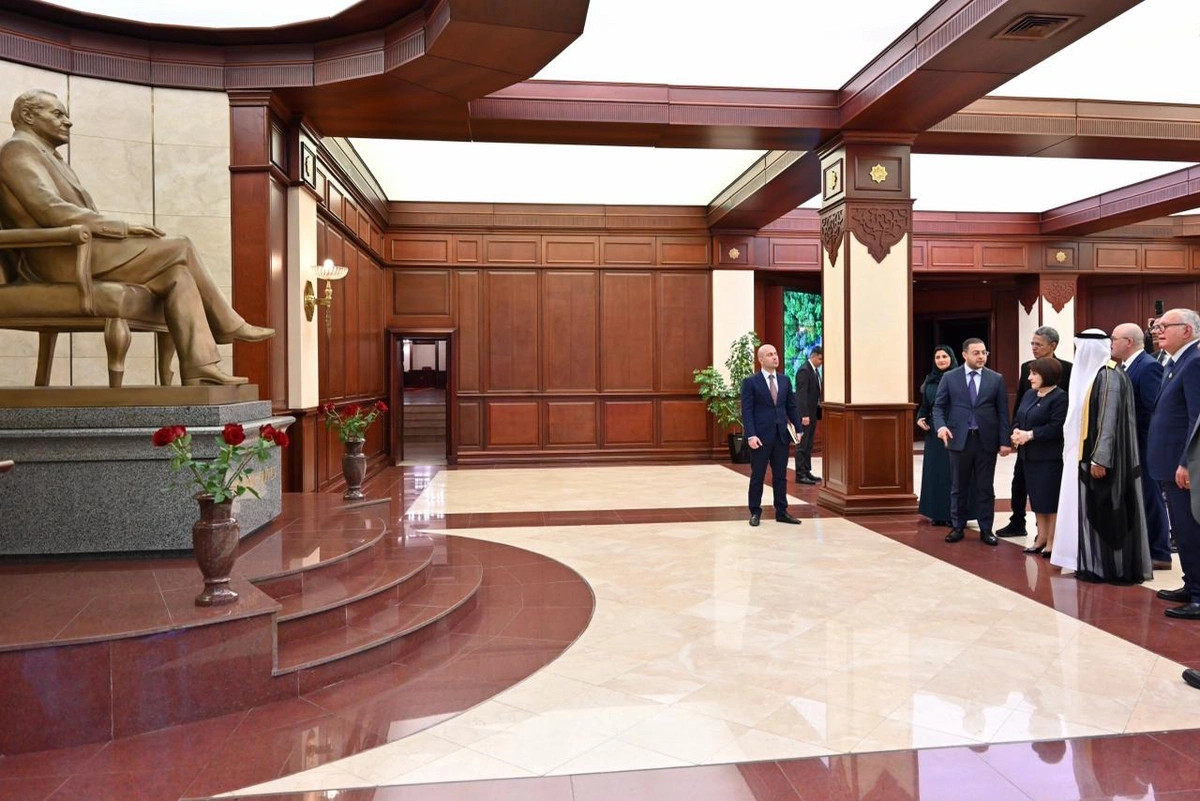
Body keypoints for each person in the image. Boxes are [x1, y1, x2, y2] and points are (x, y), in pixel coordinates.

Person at [0, 89, 273, 386]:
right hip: (57, 259)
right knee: (180, 246)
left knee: (178, 275)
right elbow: (49, 209)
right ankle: (228, 323)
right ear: (28, 116)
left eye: (66, 114)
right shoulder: (18, 150)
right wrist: (122, 227)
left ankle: (200, 367)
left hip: (80, 249)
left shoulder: (47, 156)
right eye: (57, 114)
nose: (68, 121)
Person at [1074, 347, 1152, 584]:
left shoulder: (1107, 376)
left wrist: (1100, 458)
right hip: (1097, 457)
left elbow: (1107, 421)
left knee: (1109, 511)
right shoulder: (1106, 374)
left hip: (1104, 461)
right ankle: (1101, 564)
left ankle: (1113, 568)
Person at [1146, 309, 1200, 618]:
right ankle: (1191, 584)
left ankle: (1199, 595)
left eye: (1165, 326)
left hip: (1183, 467)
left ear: (1187, 331)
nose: (1157, 330)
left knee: (1190, 531)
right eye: (1157, 326)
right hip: (1168, 463)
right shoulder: (1174, 362)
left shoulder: (1194, 362)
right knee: (1181, 528)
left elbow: (1196, 419)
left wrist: (1186, 463)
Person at [932, 337, 1012, 545]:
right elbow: (938, 407)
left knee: (985, 487)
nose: (981, 356)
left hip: (986, 441)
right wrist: (941, 427)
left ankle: (986, 529)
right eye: (976, 353)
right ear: (964, 355)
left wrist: (1005, 441)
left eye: (984, 352)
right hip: (959, 440)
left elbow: (1003, 412)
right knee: (959, 486)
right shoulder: (950, 377)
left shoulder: (996, 379)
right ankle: (957, 527)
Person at [997, 327, 1072, 538]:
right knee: (1019, 481)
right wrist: (1015, 430)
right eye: (1032, 343)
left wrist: (1032, 433)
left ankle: (1046, 532)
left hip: (1048, 441)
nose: (1034, 348)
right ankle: (1017, 521)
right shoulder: (1026, 368)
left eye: (1038, 344)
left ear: (1052, 346)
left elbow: (1065, 409)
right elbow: (1021, 400)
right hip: (1025, 440)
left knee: (1046, 489)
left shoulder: (1067, 369)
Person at [1050, 331, 1113, 572]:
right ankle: (1072, 555)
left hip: (1094, 456)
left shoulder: (1106, 377)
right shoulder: (1080, 375)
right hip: (1074, 456)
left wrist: (1099, 457)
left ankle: (1094, 558)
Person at [1111, 322, 1172, 570]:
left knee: (1150, 496)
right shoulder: (1124, 366)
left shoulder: (1148, 367)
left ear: (1128, 342)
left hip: (1144, 444)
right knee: (1136, 497)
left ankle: (1160, 552)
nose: (1111, 344)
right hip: (1130, 444)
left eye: (1114, 339)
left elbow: (1152, 409)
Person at [1009, 357, 1068, 558]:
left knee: (1050, 500)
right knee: (1037, 499)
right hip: (1028, 456)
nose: (1029, 378)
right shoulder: (1029, 394)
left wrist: (1030, 435)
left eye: (1034, 374)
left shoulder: (1060, 398)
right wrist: (1016, 431)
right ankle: (1041, 537)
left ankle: (1052, 541)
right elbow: (1019, 417)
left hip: (1049, 458)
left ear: (1047, 375)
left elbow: (1056, 427)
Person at [741, 343, 803, 527]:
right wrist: (751, 435)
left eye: (775, 353)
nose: (775, 357)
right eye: (769, 354)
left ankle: (782, 511)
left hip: (781, 436)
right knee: (758, 476)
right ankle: (755, 511)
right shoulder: (751, 382)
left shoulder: (784, 380)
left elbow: (791, 406)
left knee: (780, 476)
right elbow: (747, 411)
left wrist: (799, 428)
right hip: (760, 437)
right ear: (760, 359)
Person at [915, 345, 968, 526]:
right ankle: (937, 513)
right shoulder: (930, 380)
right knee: (935, 472)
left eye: (945, 356)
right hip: (934, 433)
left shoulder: (960, 378)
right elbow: (925, 405)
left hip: (953, 430)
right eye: (937, 357)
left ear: (951, 358)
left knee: (952, 473)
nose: (941, 360)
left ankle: (954, 515)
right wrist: (920, 417)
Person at [793, 345, 823, 485]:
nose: (821, 362)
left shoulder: (815, 371)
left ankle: (806, 471)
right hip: (805, 415)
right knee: (802, 444)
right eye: (820, 359)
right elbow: (801, 395)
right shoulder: (804, 371)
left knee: (809, 444)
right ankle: (800, 474)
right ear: (813, 356)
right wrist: (804, 415)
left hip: (813, 414)